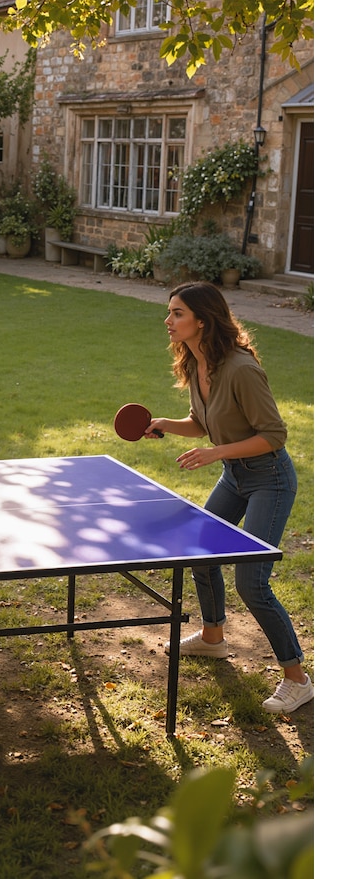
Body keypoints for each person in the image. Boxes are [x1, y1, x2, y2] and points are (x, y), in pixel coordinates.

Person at [145, 281, 312, 714]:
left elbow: (273, 436)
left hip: (269, 479)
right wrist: (163, 422)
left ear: (203, 320)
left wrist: (216, 453)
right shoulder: (197, 362)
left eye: (177, 313)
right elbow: (202, 423)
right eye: (170, 312)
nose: (168, 320)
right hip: (236, 476)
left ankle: (297, 679)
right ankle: (214, 637)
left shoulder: (240, 368)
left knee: (252, 582)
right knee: (201, 555)